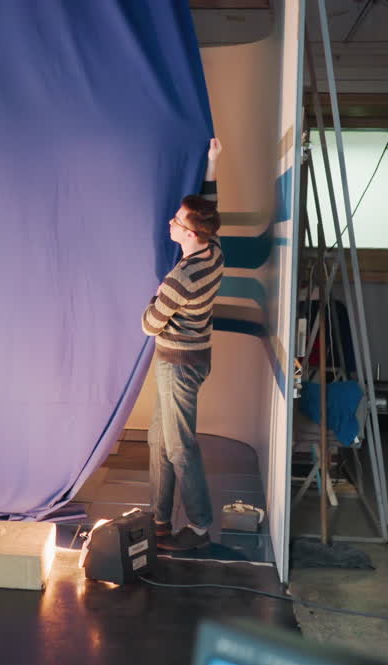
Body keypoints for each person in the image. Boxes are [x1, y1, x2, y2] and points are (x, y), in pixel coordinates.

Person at [141, 138, 223, 552]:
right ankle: (158, 518)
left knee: (179, 446)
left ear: (190, 234)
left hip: (177, 364)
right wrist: (212, 163)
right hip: (192, 357)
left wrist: (156, 295)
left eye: (176, 222)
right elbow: (210, 205)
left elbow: (148, 325)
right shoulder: (214, 249)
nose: (170, 224)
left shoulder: (180, 280)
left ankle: (200, 527)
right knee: (159, 439)